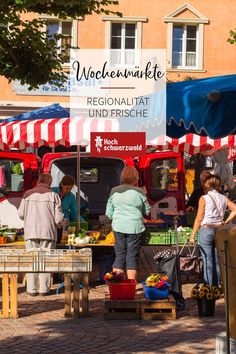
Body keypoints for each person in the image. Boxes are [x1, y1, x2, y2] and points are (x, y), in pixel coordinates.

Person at [18, 173, 64, 296]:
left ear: (38, 181)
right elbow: (58, 219)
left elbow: (21, 214)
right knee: (46, 260)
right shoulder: (54, 196)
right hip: (48, 232)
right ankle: (44, 289)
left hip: (31, 232)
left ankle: (31, 289)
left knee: (32, 260)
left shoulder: (27, 194)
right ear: (50, 183)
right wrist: (62, 223)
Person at [105, 166, 151, 280]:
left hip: (118, 226)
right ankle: (131, 286)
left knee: (119, 255)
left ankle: (117, 285)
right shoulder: (140, 191)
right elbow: (147, 211)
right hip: (135, 227)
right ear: (136, 177)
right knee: (132, 256)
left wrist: (116, 217)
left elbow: (108, 213)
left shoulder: (114, 191)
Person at [190, 174, 236, 286]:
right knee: (217, 260)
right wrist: (226, 221)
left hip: (206, 230)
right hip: (219, 230)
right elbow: (235, 209)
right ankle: (217, 286)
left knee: (207, 260)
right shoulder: (223, 198)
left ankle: (209, 287)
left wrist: (192, 235)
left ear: (206, 185)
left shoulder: (204, 198)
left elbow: (199, 218)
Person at [52, 175, 78, 243]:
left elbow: (75, 212)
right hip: (52, 224)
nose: (69, 190)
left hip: (64, 226)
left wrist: (82, 222)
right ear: (62, 184)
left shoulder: (72, 196)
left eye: (71, 188)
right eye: (67, 188)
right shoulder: (52, 191)